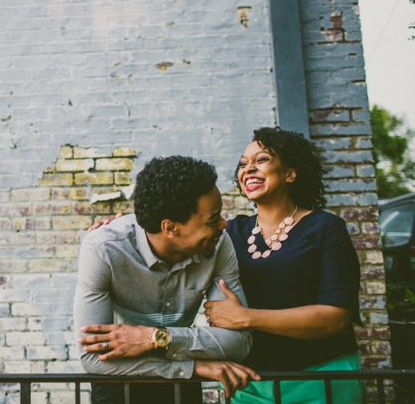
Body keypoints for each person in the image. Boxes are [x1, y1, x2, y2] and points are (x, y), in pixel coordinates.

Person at [74, 155, 260, 404]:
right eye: (212, 220)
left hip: (182, 388)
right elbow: (94, 359)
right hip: (119, 383)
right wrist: (194, 367)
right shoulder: (104, 249)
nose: (224, 225)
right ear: (170, 228)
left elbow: (239, 343)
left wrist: (157, 338)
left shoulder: (218, 244)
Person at [202, 127, 364, 403]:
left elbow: (335, 318)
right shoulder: (231, 232)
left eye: (261, 159)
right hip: (249, 385)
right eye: (243, 164)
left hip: (321, 380)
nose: (248, 168)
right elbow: (177, 240)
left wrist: (246, 317)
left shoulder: (326, 228)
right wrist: (117, 233)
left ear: (291, 173)